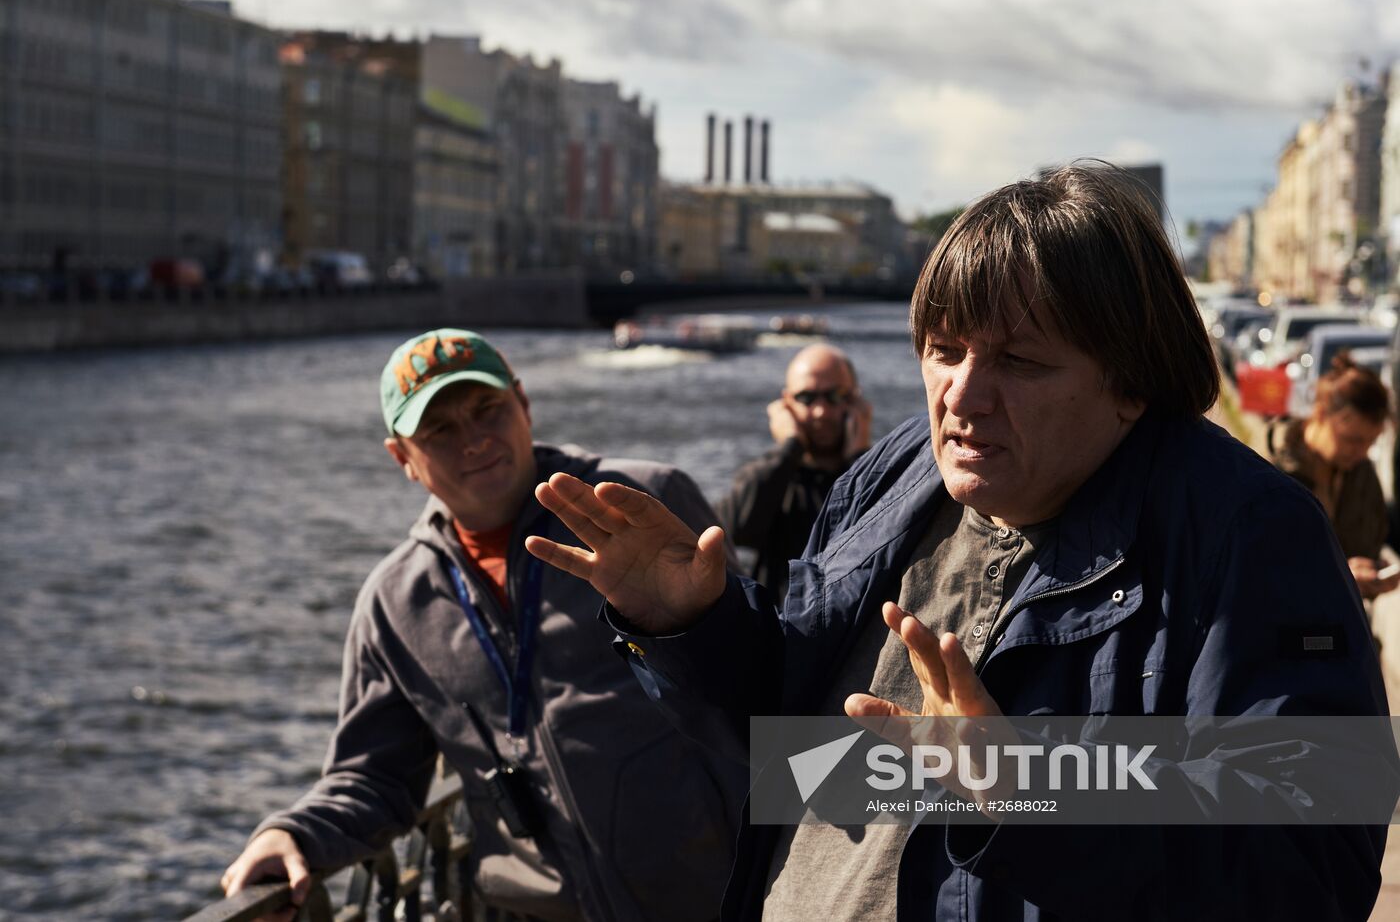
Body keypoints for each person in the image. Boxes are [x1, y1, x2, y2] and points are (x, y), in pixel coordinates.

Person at [525, 164, 1396, 920]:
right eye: (943, 350)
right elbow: (796, 759)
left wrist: (1029, 789)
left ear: (1130, 382)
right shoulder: (894, 473)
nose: (962, 396)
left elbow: (1309, 869)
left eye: (1020, 362)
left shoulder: (1247, 533)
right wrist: (696, 627)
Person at [220, 328, 744, 922]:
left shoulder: (636, 504)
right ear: (402, 459)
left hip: (731, 898)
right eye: (439, 430)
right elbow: (375, 776)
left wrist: (855, 841)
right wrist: (292, 834)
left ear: (522, 403)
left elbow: (771, 679)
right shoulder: (395, 604)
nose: (473, 440)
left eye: (487, 409)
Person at [716, 344, 871, 601]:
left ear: (855, 401)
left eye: (834, 396)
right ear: (786, 404)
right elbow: (734, 530)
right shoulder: (774, 477)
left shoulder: (876, 474)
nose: (821, 411)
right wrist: (789, 449)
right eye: (807, 398)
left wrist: (861, 460)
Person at [1268, 351, 1397, 599]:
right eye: (1352, 440)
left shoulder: (1361, 472)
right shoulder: (1273, 474)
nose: (1362, 452)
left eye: (1371, 443)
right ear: (1320, 413)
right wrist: (1339, 577)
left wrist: (1376, 572)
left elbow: (1372, 542)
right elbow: (1261, 571)